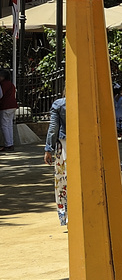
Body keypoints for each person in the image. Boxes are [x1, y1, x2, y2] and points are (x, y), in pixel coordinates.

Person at [44, 95, 66, 224]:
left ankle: (66, 216)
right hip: (83, 144)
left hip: (63, 146)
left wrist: (48, 149)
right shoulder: (87, 100)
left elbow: (53, 128)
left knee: (63, 182)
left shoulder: (59, 104)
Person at [0, 66, 16, 152]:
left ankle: (7, 144)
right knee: (9, 125)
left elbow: (0, 95)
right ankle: (10, 143)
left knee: (4, 125)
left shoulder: (3, 84)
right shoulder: (11, 84)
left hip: (5, 106)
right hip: (12, 105)